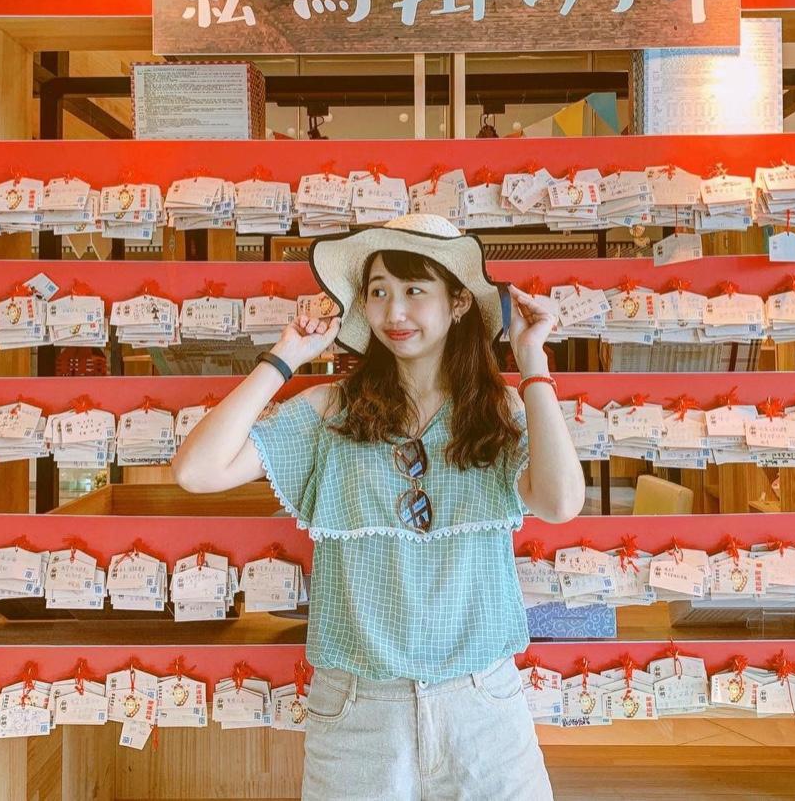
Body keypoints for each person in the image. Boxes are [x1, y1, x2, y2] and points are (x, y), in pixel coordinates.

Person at [173, 213, 585, 800]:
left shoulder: (498, 414)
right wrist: (287, 354)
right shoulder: (329, 412)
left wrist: (532, 360)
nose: (394, 312)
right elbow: (196, 471)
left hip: (483, 707)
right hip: (358, 711)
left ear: (459, 302)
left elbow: (561, 502)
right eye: (378, 291)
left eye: (415, 290)